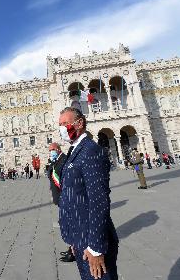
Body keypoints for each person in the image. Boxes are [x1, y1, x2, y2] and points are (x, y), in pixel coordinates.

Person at [58, 107, 118, 279]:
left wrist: (96, 248)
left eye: (65, 124)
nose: (62, 128)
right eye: (60, 125)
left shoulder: (90, 150)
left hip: (91, 244)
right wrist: (73, 240)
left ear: (79, 123)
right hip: (80, 239)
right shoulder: (75, 150)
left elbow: (99, 201)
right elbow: (73, 196)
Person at [47, 142, 76, 263]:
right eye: (49, 150)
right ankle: (71, 247)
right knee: (67, 223)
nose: (50, 152)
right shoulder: (56, 160)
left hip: (66, 197)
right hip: (60, 197)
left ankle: (74, 251)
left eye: (52, 150)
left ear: (58, 149)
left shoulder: (64, 160)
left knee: (71, 223)